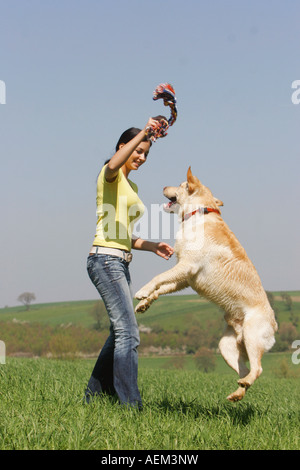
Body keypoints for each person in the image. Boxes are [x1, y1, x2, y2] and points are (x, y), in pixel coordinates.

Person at [85, 117, 174, 408]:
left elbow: (124, 235)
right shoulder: (109, 175)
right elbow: (113, 165)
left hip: (119, 260)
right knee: (129, 333)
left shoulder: (131, 186)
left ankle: (94, 396)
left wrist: (151, 245)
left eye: (146, 153)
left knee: (119, 332)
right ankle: (131, 405)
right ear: (123, 147)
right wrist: (146, 131)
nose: (142, 157)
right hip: (105, 260)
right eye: (138, 151)